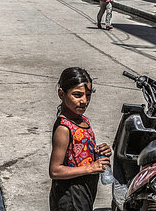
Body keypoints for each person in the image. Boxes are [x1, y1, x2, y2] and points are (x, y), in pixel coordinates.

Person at [49, 67, 112, 211]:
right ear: (61, 94)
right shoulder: (64, 128)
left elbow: (79, 154)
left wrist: (100, 152)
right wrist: (91, 168)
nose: (84, 101)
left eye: (88, 95)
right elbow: (55, 171)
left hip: (85, 192)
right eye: (77, 95)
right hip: (70, 196)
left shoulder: (82, 121)